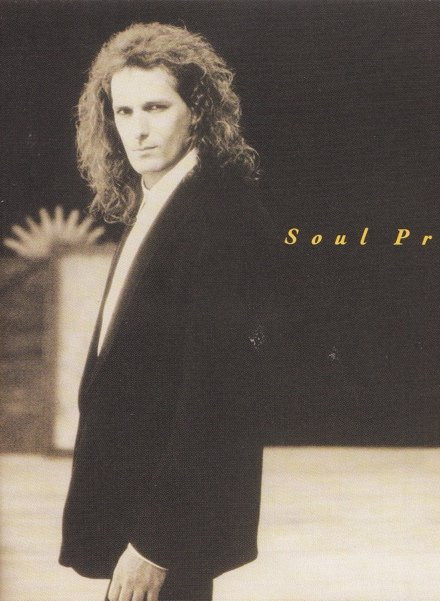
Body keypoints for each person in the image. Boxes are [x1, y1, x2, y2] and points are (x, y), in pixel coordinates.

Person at [59, 22, 276, 601]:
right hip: (138, 515)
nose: (138, 129)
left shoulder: (217, 217)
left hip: (161, 534)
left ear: (197, 111)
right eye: (123, 111)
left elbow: (219, 399)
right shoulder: (161, 201)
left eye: (156, 107)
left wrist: (156, 545)